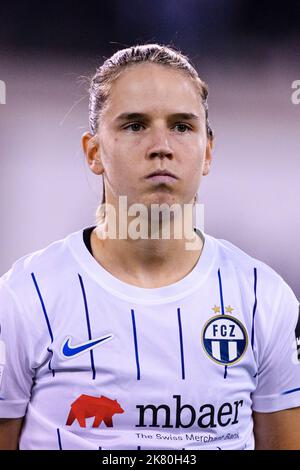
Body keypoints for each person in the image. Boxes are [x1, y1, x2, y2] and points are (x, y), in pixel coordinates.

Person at [0, 43, 299, 451]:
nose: (162, 146)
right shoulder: (24, 298)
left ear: (207, 150)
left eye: (181, 126)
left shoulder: (263, 298)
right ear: (93, 152)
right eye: (135, 125)